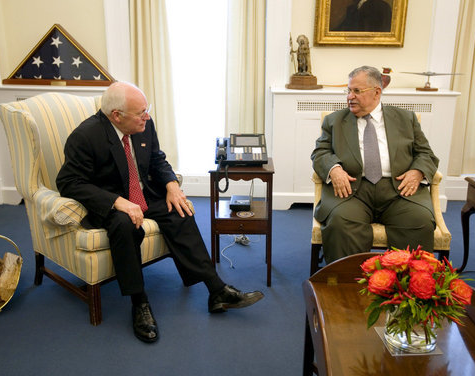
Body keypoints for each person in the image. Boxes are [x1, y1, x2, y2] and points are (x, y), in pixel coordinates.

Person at [56, 82, 264, 343]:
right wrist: (116, 201)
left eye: (147, 109)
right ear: (116, 116)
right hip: (111, 202)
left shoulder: (144, 125)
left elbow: (157, 158)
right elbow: (68, 182)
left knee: (180, 210)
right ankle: (139, 302)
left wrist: (171, 185)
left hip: (144, 193)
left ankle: (216, 289)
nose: (147, 116)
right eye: (140, 112)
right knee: (125, 226)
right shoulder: (85, 136)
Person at [311, 66, 439, 264]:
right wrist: (334, 169)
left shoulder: (406, 119)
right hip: (352, 189)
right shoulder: (334, 121)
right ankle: (347, 287)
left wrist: (417, 171)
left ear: (376, 92)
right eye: (348, 91)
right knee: (341, 223)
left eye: (357, 91)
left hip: (399, 189)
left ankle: (407, 289)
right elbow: (320, 152)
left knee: (418, 221)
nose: (349, 97)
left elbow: (425, 153)